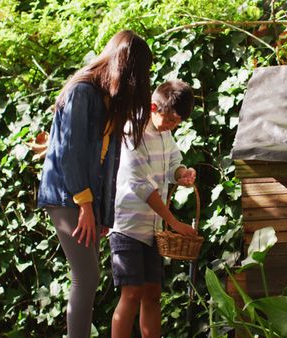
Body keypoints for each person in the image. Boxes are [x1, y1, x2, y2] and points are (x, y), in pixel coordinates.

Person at [36, 30, 153, 338]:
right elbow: (70, 152)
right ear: (124, 65)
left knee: (88, 276)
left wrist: (102, 211)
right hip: (67, 196)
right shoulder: (82, 92)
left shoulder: (109, 101)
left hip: (85, 200)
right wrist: (86, 204)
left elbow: (109, 162)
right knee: (86, 277)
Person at [109, 80, 199, 338]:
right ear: (153, 107)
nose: (173, 126)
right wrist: (173, 221)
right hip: (127, 226)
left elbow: (174, 162)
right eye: (170, 120)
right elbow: (140, 185)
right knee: (132, 293)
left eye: (178, 122)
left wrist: (182, 174)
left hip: (153, 228)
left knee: (153, 294)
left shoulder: (165, 133)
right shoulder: (132, 132)